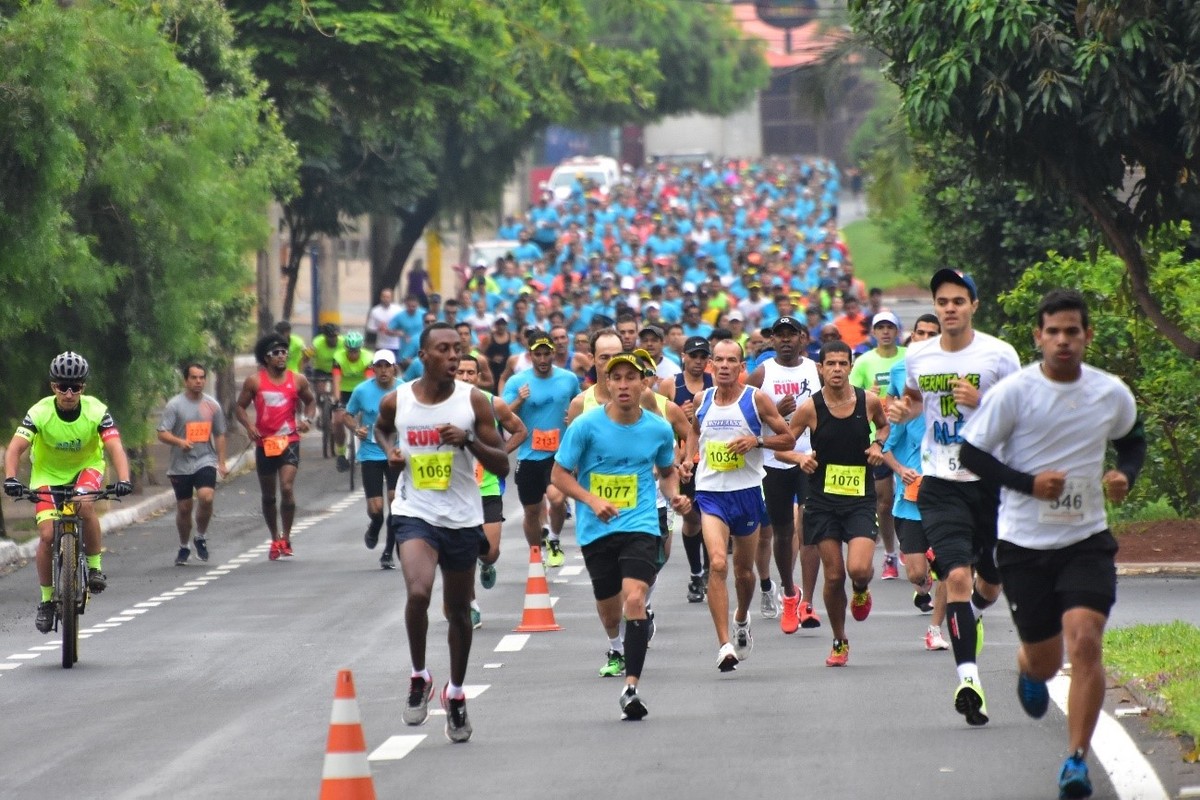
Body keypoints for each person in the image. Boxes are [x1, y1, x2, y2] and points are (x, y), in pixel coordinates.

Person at [960, 289, 1144, 799]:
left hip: (1086, 538)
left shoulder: (1110, 393)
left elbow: (1133, 439)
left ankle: (1076, 760)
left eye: (1073, 331)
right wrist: (1028, 483)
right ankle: (1028, 667)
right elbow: (972, 453)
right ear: (1039, 337)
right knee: (1044, 660)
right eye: (1054, 332)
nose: (1063, 341)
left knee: (1085, 640)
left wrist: (1123, 473)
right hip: (1023, 544)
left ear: (1086, 336)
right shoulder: (1014, 394)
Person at [889, 268, 1021, 725]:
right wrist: (901, 410)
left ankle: (975, 616)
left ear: (973, 306)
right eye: (942, 301)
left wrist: (982, 400)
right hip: (940, 483)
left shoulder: (1000, 355)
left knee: (990, 580)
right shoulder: (919, 356)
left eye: (958, 301)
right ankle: (969, 681)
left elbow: (1020, 415)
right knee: (957, 579)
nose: (949, 308)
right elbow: (910, 400)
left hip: (989, 483)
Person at [374, 323, 510, 743]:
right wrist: (389, 452)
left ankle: (455, 692)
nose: (454, 357)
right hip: (415, 510)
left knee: (457, 612)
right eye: (444, 349)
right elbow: (380, 428)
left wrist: (468, 441)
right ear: (424, 355)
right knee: (418, 592)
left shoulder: (474, 403)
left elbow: (503, 464)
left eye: (458, 350)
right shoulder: (398, 400)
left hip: (463, 517)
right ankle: (419, 675)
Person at [553, 351, 688, 720]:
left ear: (644, 382)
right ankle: (616, 642)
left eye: (632, 377)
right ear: (607, 384)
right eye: (618, 378)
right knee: (611, 612)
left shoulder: (659, 428)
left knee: (635, 598)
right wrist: (591, 499)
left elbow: (666, 470)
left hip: (640, 523)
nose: (625, 384)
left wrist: (674, 495)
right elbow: (560, 475)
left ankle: (631, 688)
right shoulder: (585, 426)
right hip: (596, 527)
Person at [5, 351, 134, 632]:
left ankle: (95, 567)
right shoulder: (39, 412)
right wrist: (11, 478)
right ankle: (47, 601)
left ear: (82, 388)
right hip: (47, 475)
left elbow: (115, 447)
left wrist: (124, 478)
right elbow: (15, 448)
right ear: (53, 387)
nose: (68, 393)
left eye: (75, 387)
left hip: (85, 470)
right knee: (47, 535)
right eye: (62, 387)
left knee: (83, 504)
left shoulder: (96, 411)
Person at [690, 339, 795, 672]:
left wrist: (757, 441)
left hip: (747, 492)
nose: (723, 366)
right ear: (710, 365)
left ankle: (740, 618)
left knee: (744, 573)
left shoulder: (756, 399)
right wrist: (688, 458)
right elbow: (695, 432)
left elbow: (788, 438)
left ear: (740, 367)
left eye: (730, 360)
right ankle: (724, 645)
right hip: (710, 493)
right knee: (718, 563)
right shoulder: (701, 400)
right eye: (718, 360)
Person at [787, 340, 890, 667]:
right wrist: (799, 458)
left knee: (858, 568)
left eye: (841, 364)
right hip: (822, 502)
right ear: (820, 368)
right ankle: (840, 639)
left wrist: (877, 444)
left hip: (860, 498)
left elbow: (885, 426)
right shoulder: (809, 408)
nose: (835, 369)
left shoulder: (868, 401)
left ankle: (861, 588)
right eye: (829, 364)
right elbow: (783, 446)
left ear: (850, 366)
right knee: (833, 577)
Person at [747, 315, 823, 633]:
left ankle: (806, 602)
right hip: (774, 460)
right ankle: (789, 592)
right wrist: (775, 412)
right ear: (772, 341)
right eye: (780, 335)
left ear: (803, 338)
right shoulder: (763, 373)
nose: (786, 340)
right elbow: (744, 411)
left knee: (808, 526)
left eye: (792, 334)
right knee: (781, 532)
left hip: (809, 458)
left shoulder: (814, 370)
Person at [878, 313, 950, 649]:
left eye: (931, 334)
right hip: (910, 498)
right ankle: (928, 575)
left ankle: (935, 629)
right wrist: (899, 469)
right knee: (918, 574)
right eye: (919, 333)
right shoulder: (903, 391)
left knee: (953, 567)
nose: (924, 338)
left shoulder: (954, 381)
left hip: (947, 491)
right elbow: (886, 444)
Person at [456, 353, 526, 629]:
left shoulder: (492, 403)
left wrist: (497, 454)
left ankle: (487, 564)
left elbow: (520, 431)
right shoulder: (440, 405)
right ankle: (470, 604)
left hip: (487, 487)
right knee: (463, 551)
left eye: (469, 373)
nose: (464, 377)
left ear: (478, 376)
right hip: (457, 490)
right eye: (459, 372)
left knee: (489, 551)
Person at [234, 333, 317, 560]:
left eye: (284, 352)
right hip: (265, 443)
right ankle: (275, 538)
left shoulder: (298, 380)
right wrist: (249, 426)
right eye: (276, 353)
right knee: (269, 496)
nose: (281, 356)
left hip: (289, 439)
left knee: (287, 488)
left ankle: (287, 537)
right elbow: (239, 407)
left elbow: (310, 402)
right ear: (266, 358)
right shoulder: (255, 381)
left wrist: (307, 420)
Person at [502, 334, 580, 567]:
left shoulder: (568, 379)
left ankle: (554, 540)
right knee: (532, 512)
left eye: (547, 353)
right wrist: (519, 400)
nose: (543, 358)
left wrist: (574, 417)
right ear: (530, 355)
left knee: (556, 500)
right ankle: (535, 554)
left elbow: (581, 405)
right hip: (528, 455)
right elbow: (503, 414)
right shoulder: (518, 382)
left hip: (559, 454)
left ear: (554, 353)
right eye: (538, 354)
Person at [848, 310, 906, 580]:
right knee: (884, 500)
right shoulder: (864, 362)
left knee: (913, 493)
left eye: (890, 327)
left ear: (897, 331)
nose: (885, 332)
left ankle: (912, 545)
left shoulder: (909, 357)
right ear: (873, 332)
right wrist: (865, 395)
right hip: (878, 437)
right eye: (880, 327)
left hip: (907, 437)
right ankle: (890, 555)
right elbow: (849, 395)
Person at [656, 335, 714, 603]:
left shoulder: (715, 384)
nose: (698, 362)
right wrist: (678, 413)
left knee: (712, 518)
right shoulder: (670, 385)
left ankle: (710, 573)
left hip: (713, 462)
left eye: (703, 357)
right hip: (685, 463)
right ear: (684, 357)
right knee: (692, 519)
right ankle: (695, 571)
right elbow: (658, 421)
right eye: (694, 356)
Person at [156, 363, 229, 566]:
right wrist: (180, 442)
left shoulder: (212, 406)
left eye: (202, 377)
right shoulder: (175, 405)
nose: (198, 381)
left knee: (206, 497)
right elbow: (162, 433)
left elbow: (220, 434)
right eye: (194, 377)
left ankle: (201, 536)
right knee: (184, 507)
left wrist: (221, 462)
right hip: (180, 464)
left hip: (205, 459)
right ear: (186, 380)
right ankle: (184, 545)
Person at [344, 349, 401, 569]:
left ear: (394, 368)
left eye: (388, 366)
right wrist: (356, 428)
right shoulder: (361, 391)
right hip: (370, 451)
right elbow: (347, 415)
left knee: (396, 503)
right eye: (379, 366)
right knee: (376, 508)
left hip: (395, 452)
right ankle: (375, 524)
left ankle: (388, 552)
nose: (383, 370)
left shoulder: (404, 390)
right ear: (373, 368)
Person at [332, 331, 370, 471]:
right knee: (337, 420)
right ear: (346, 348)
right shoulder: (338, 357)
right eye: (350, 351)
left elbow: (369, 382)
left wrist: (368, 401)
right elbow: (336, 380)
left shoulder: (367, 358)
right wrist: (336, 400)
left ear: (360, 349)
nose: (353, 354)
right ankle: (341, 454)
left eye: (355, 351)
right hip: (344, 392)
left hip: (361, 391)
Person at [368, 287, 404, 360]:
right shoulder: (375, 311)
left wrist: (395, 331)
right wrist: (379, 328)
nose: (385, 299)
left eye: (388, 297)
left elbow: (403, 326)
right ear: (381, 297)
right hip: (381, 345)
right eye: (384, 297)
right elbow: (370, 327)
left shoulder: (398, 310)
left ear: (391, 298)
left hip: (395, 345)